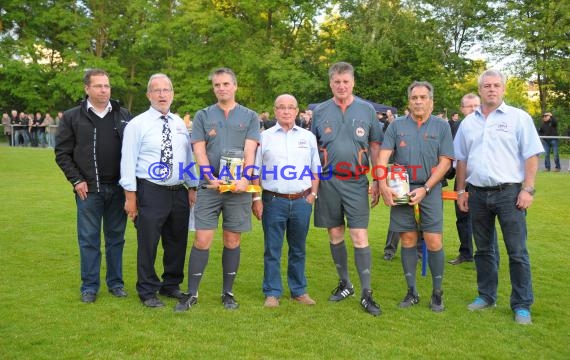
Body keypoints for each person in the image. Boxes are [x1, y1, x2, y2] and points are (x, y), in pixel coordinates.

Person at [454, 69, 543, 325]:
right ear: (480, 90)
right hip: (477, 194)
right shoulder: (468, 123)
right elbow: (461, 159)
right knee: (484, 250)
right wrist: (461, 190)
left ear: (503, 89)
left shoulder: (519, 118)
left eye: (496, 85)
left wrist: (528, 189)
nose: (491, 89)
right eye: (486, 86)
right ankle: (486, 296)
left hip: (510, 194)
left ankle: (522, 304)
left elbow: (531, 155)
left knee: (517, 251)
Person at [175, 67, 260, 312]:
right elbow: (199, 150)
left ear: (235, 86)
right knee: (202, 239)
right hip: (209, 188)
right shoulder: (203, 115)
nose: (221, 88)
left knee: (232, 240)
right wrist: (209, 177)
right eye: (217, 85)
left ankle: (228, 293)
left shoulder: (250, 116)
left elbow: (250, 151)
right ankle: (192, 293)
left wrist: (245, 179)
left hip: (239, 190)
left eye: (225, 84)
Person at [311, 61, 383, 316]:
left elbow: (375, 146)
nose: (341, 86)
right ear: (330, 83)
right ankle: (345, 284)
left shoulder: (367, 110)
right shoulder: (320, 111)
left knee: (359, 236)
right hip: (329, 182)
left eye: (346, 81)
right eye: (337, 81)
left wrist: (377, 179)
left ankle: (366, 292)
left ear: (353, 82)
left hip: (356, 181)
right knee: (335, 234)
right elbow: (312, 149)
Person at [119, 73, 197, 308]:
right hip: (150, 191)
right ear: (148, 95)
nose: (162, 94)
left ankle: (171, 284)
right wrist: (130, 197)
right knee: (148, 242)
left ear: (172, 94)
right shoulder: (137, 124)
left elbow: (188, 156)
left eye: (166, 90)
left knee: (177, 241)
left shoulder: (179, 124)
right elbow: (128, 161)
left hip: (178, 191)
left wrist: (192, 185)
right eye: (157, 90)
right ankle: (147, 290)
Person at [55, 68, 132, 303]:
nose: (104, 90)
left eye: (107, 86)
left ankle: (116, 284)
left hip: (119, 189)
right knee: (89, 240)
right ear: (87, 89)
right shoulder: (72, 117)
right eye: (98, 86)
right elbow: (62, 153)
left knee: (116, 239)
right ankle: (89, 286)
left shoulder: (124, 115)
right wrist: (76, 180)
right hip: (89, 191)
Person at [378, 81, 454, 313]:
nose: (418, 102)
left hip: (429, 189)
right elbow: (382, 159)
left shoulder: (441, 126)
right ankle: (411, 292)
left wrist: (427, 188)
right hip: (401, 188)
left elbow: (446, 162)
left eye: (423, 97)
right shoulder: (395, 126)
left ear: (431, 101)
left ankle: (437, 293)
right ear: (408, 101)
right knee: (408, 240)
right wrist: (382, 185)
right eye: (414, 98)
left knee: (434, 241)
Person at [251, 94, 321, 308]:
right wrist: (256, 197)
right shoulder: (264, 137)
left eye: (290, 107)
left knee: (298, 248)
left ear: (297, 111)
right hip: (273, 200)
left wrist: (313, 195)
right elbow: (255, 170)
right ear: (275, 111)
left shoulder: (308, 137)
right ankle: (272, 292)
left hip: (302, 201)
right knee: (272, 248)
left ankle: (298, 291)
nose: (286, 111)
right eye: (282, 107)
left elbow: (315, 169)